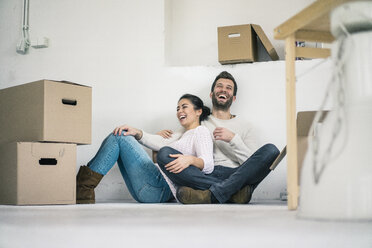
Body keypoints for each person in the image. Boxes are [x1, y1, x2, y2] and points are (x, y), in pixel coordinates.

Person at [156, 71, 280, 204]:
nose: (224, 90)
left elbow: (251, 163)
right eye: (219, 86)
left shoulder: (246, 126)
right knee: (164, 154)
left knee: (272, 151)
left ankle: (209, 195)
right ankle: (233, 192)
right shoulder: (198, 120)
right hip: (203, 174)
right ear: (211, 94)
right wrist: (146, 134)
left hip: (236, 173)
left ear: (233, 98)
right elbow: (172, 142)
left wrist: (234, 139)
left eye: (228, 88)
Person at [76, 94, 213, 204]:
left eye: (184, 107)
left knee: (120, 136)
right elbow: (158, 144)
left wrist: (190, 160)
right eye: (177, 109)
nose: (180, 111)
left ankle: (82, 189)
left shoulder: (201, 131)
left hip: (160, 187)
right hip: (151, 190)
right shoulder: (179, 133)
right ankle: (83, 191)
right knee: (117, 136)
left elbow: (208, 165)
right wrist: (138, 132)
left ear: (198, 111)